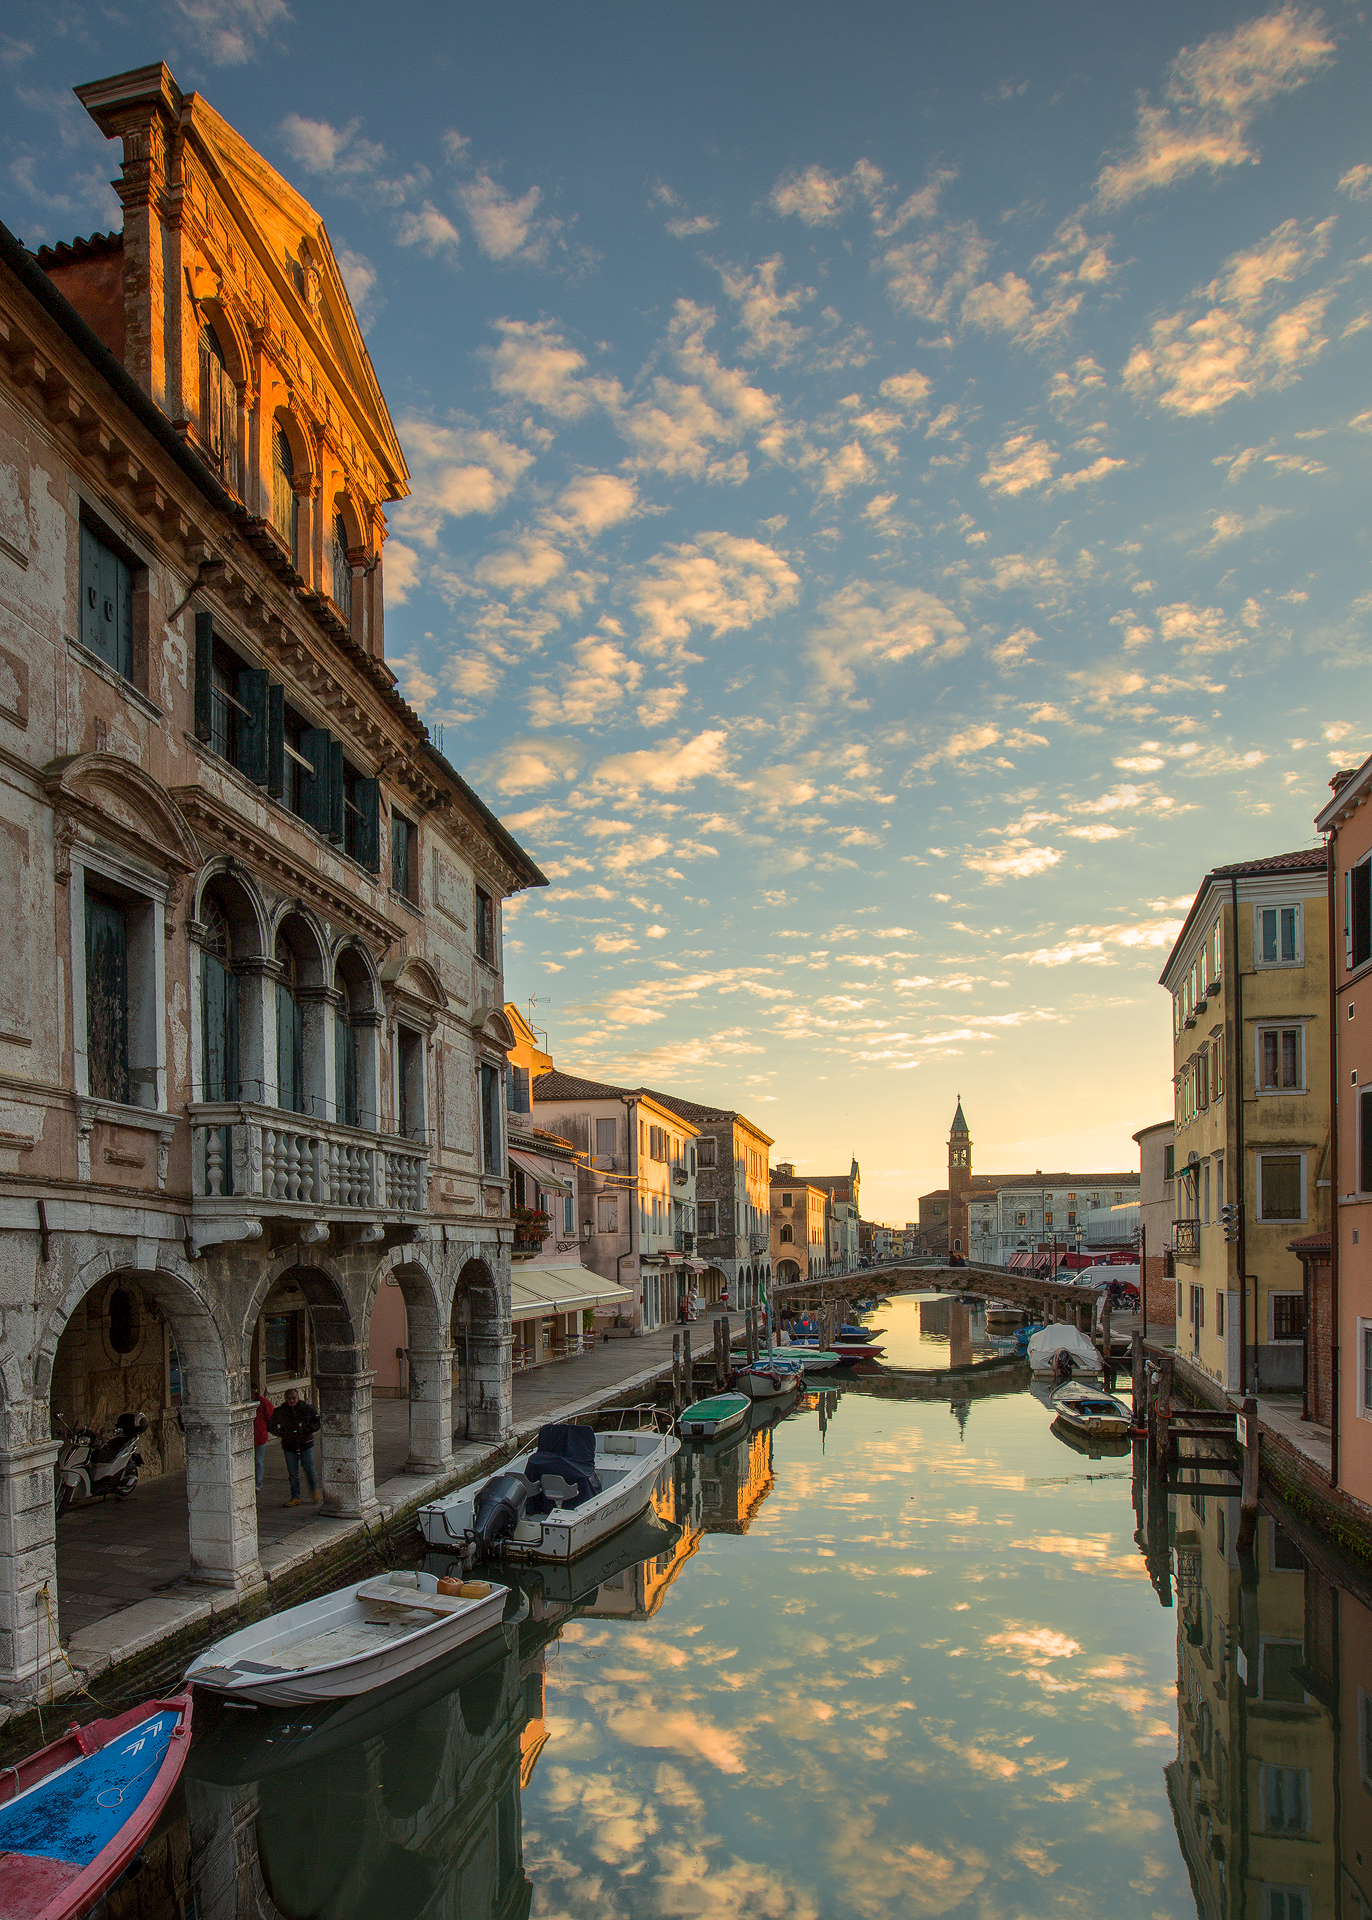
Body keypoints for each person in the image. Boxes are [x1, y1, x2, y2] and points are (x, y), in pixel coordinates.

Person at [269, 1387, 322, 1506]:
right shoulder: (281, 1411)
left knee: (310, 1468)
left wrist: (308, 1430)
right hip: (289, 1445)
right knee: (293, 1472)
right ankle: (295, 1496)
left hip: (305, 1443)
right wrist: (282, 1433)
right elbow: (271, 1424)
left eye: (293, 1398)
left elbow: (317, 1421)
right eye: (289, 1399)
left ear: (298, 1398)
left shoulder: (306, 1408)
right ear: (285, 1399)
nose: (291, 1401)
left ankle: (314, 1491)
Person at [252, 1390, 274, 1491]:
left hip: (259, 1436)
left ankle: (258, 1483)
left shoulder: (263, 1403)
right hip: (255, 1435)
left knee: (258, 1461)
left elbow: (270, 1416)